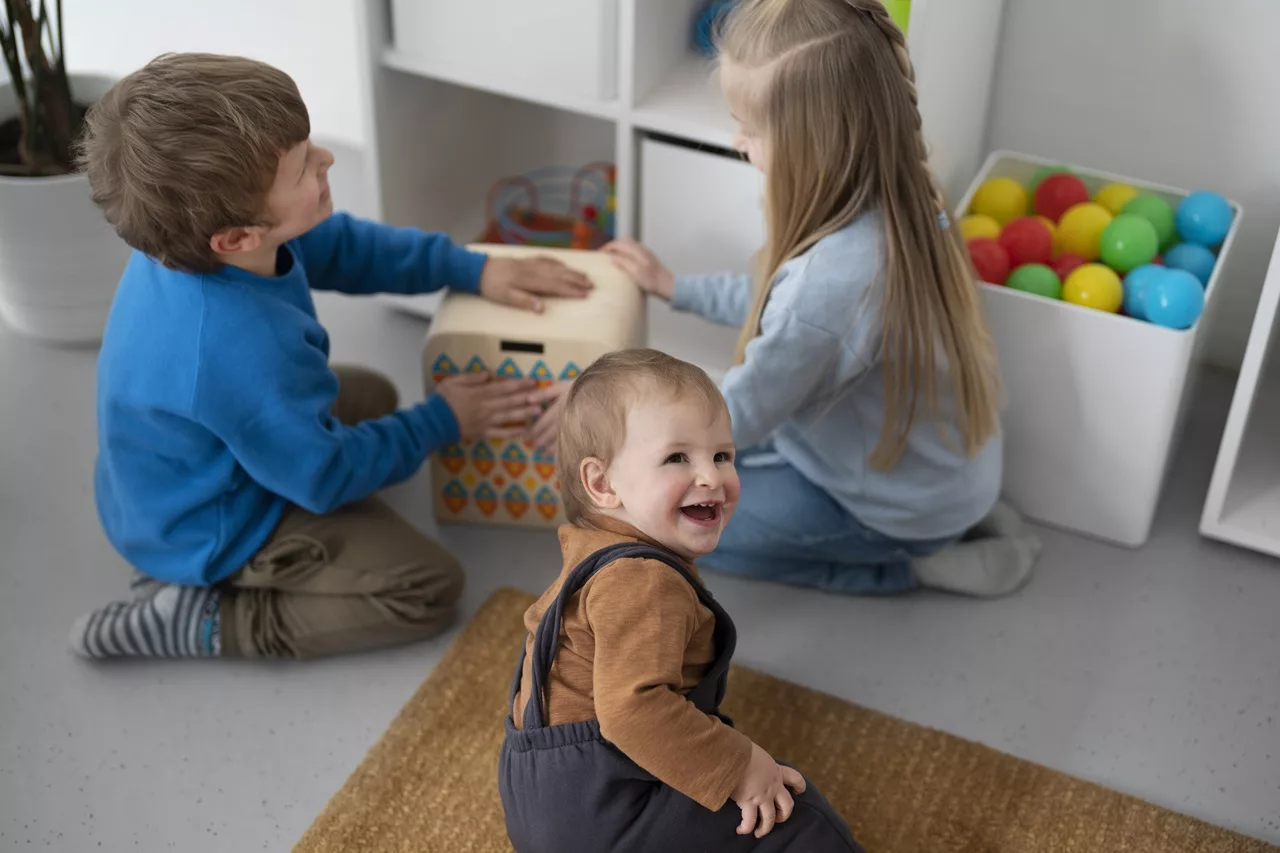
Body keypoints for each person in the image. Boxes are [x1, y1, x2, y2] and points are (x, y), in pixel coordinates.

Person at [68, 53, 590, 661]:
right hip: (211, 527)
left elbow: (341, 247)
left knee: (370, 396)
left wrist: (472, 266)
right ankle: (203, 617)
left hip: (177, 476)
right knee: (429, 588)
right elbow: (323, 478)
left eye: (309, 146)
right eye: (302, 170)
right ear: (237, 238)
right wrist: (443, 421)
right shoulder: (237, 347)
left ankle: (238, 532)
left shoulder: (194, 242)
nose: (328, 160)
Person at [534, 0, 1040, 598]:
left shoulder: (831, 283)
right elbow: (774, 301)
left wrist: (612, 416)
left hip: (887, 510)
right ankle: (959, 520)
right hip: (935, 477)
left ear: (812, 146)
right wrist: (676, 287)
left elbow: (736, 417)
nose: (738, 140)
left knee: (664, 524)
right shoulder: (905, 201)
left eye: (749, 126)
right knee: (690, 479)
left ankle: (911, 566)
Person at [499, 348, 862, 853]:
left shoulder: (594, 551)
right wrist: (741, 766)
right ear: (602, 484)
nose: (711, 476)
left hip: (541, 800)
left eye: (721, 455)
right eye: (677, 458)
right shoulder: (645, 581)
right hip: (600, 813)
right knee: (798, 817)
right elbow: (633, 712)